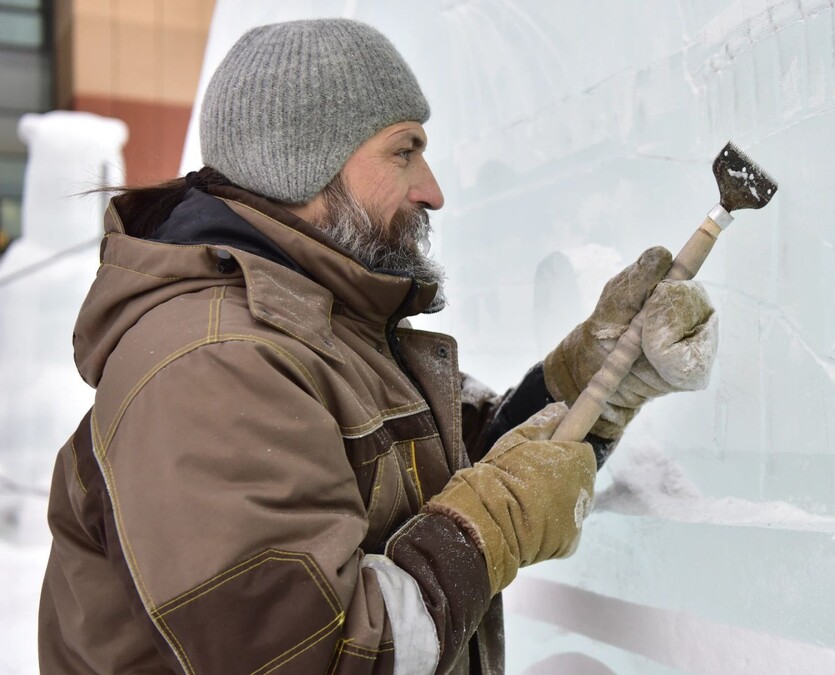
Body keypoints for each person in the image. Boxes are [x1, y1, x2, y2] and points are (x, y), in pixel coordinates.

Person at [38, 18, 717, 675]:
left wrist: (596, 376)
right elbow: (309, 657)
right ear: (303, 163)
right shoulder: (211, 364)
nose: (434, 190)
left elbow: (452, 476)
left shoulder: (318, 329)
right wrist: (494, 525)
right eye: (404, 150)